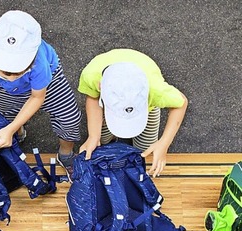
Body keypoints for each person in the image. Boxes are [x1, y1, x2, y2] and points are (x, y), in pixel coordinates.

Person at [0, 10, 81, 179]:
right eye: (5, 72)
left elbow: (37, 96)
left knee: (69, 118)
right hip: (6, 91)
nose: (11, 78)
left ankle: (66, 155)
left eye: (17, 72)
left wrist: (11, 127)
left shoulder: (40, 64)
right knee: (7, 117)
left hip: (49, 83)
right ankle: (16, 134)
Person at [77, 49, 188, 177]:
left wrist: (164, 144)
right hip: (108, 91)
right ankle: (110, 139)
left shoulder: (156, 90)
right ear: (101, 87)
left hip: (148, 103)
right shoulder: (91, 75)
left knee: (145, 146)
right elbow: (93, 97)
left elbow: (181, 103)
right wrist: (93, 136)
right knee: (102, 139)